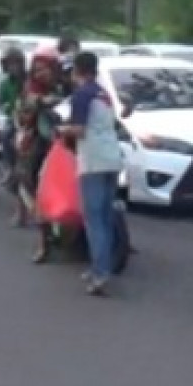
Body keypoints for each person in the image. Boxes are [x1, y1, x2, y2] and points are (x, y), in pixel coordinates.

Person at [59, 51, 123, 296]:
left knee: (94, 219)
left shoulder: (81, 95)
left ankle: (100, 274)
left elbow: (80, 130)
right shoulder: (103, 93)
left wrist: (61, 129)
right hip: (112, 158)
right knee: (105, 216)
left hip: (93, 161)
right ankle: (100, 265)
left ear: (77, 70)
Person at [12, 47, 61, 237]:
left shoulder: (62, 84)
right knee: (28, 169)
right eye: (36, 69)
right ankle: (26, 213)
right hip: (35, 131)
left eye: (44, 69)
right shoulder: (30, 86)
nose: (40, 73)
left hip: (61, 132)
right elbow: (28, 104)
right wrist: (42, 101)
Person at [0, 46, 27, 174]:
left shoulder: (29, 80)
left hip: (31, 116)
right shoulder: (4, 84)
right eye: (9, 64)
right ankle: (9, 168)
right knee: (5, 135)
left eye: (15, 63)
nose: (13, 67)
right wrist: (8, 107)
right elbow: (0, 103)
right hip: (14, 117)